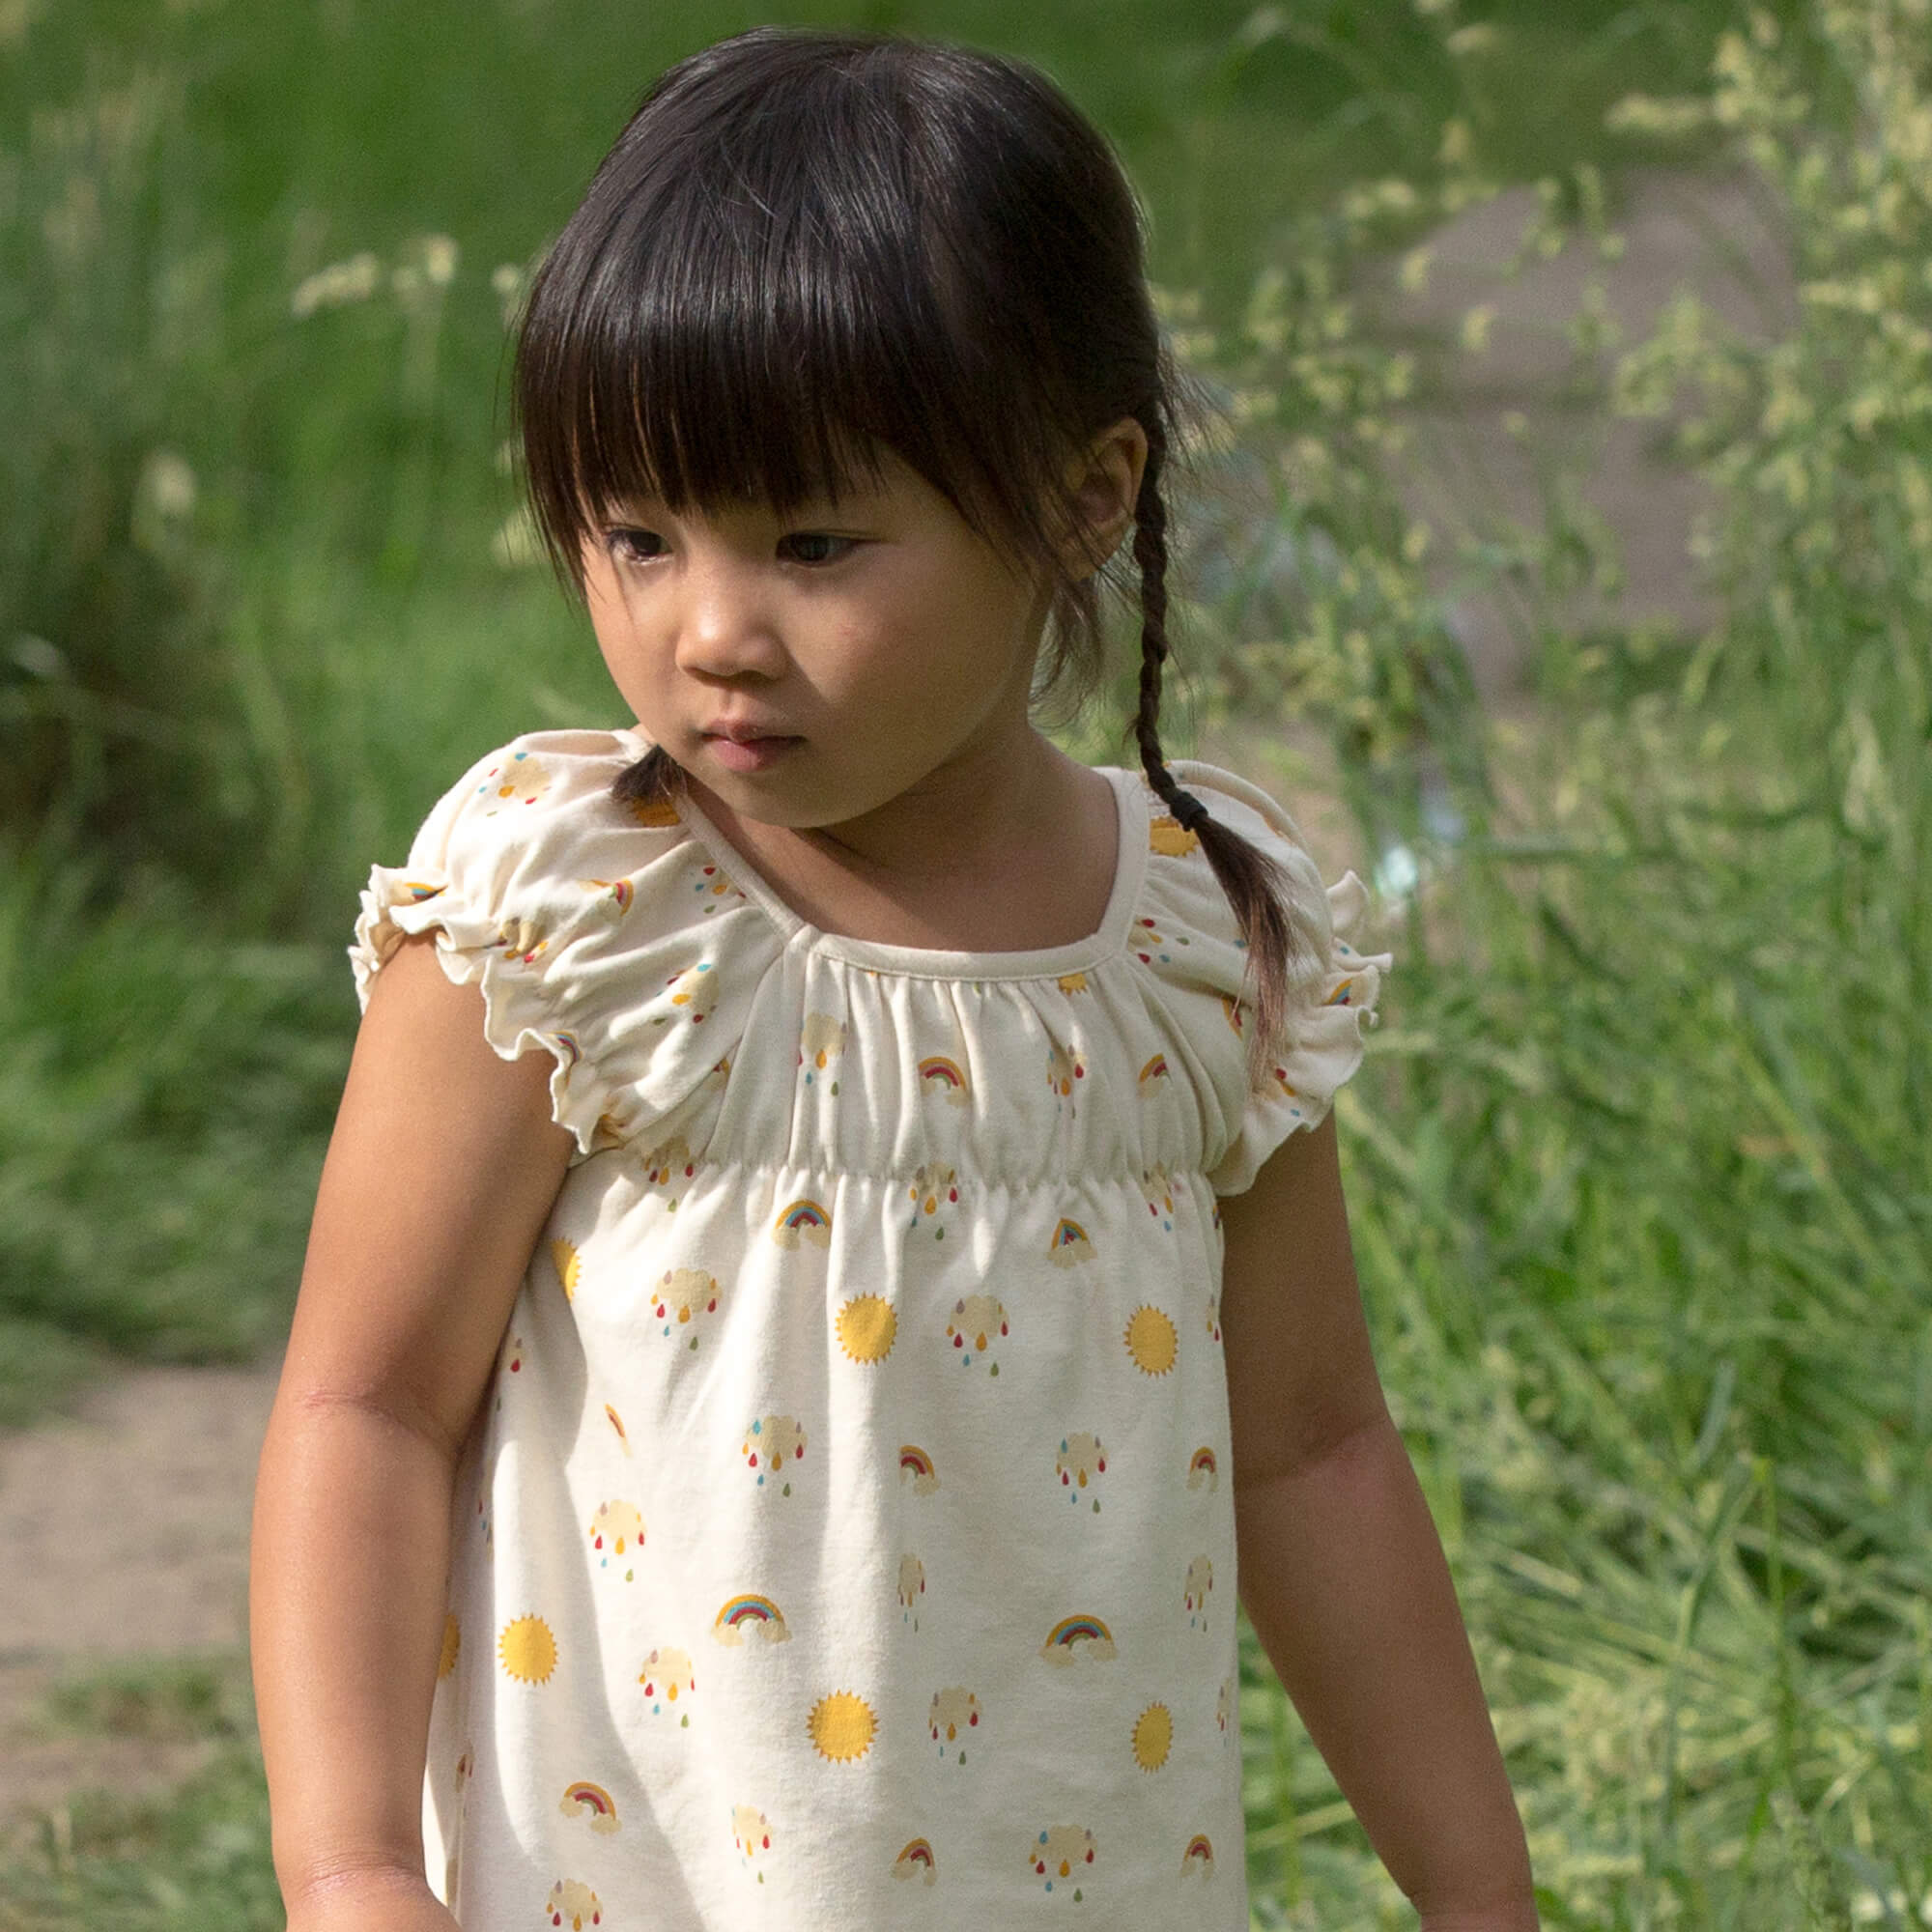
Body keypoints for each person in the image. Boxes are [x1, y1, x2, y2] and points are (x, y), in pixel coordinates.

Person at [249, 27, 1537, 1932]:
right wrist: (352, 1864)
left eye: (813, 541)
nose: (708, 634)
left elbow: (1314, 1450)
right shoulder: (581, 914)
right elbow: (364, 1404)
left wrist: (1481, 1897)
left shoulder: (1196, 952)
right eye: (635, 534)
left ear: (1084, 501)